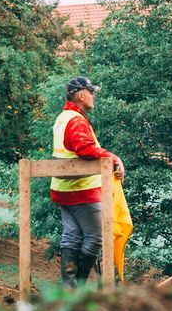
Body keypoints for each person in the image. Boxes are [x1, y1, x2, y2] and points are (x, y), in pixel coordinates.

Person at [51, 76, 124, 287]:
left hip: (63, 188)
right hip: (81, 189)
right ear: (81, 95)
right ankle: (76, 287)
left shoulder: (63, 117)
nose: (93, 97)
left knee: (71, 236)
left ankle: (69, 289)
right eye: (91, 93)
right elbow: (84, 148)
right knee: (95, 237)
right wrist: (112, 157)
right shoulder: (76, 120)